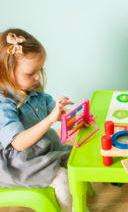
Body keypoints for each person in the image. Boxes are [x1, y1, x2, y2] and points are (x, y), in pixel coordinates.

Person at [0, 29, 96, 212]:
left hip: (41, 147)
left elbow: (56, 111)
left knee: (76, 159)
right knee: (63, 178)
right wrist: (50, 120)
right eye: (31, 73)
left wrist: (77, 117)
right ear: (6, 72)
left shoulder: (32, 91)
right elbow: (19, 143)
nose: (37, 77)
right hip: (19, 162)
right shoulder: (3, 105)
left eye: (40, 70)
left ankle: (78, 200)